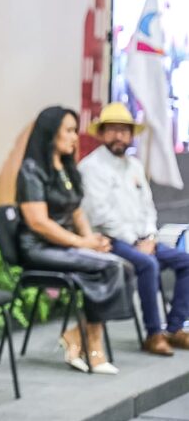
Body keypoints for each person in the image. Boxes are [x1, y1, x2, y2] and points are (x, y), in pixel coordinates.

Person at [16, 105, 135, 374]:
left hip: (66, 245)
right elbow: (38, 222)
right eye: (69, 131)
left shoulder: (67, 168)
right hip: (38, 248)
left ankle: (78, 334)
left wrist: (91, 238)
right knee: (110, 267)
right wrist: (83, 244)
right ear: (50, 134)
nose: (74, 137)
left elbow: (77, 210)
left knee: (119, 264)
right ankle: (93, 344)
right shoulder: (31, 170)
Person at [78, 102, 189, 355]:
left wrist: (149, 236)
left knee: (185, 261)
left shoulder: (135, 166)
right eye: (113, 129)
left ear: (130, 135)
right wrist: (135, 241)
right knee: (148, 264)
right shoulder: (90, 167)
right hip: (110, 240)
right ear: (102, 133)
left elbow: (148, 207)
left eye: (124, 130)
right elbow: (101, 215)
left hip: (143, 240)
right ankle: (153, 334)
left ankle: (174, 328)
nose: (119, 135)